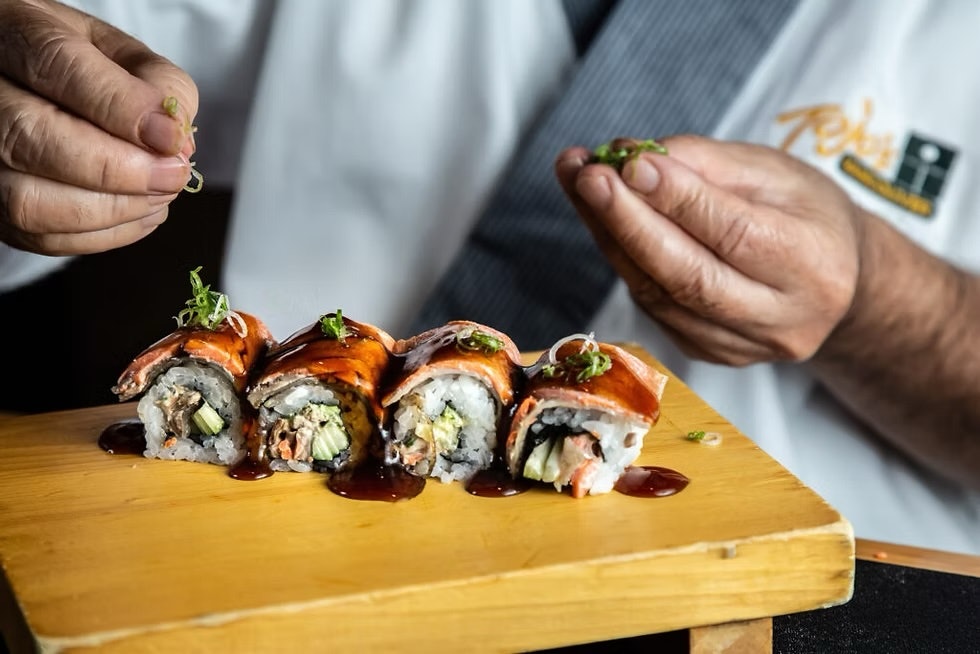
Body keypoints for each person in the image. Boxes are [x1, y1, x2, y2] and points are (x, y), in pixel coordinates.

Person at [0, 0, 977, 556]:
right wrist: (35, 123)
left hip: (808, 601)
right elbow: (67, 40)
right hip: (261, 565)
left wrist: (874, 296)